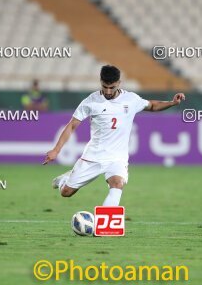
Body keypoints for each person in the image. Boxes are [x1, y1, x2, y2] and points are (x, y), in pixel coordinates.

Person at [42, 65, 185, 206]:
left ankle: (102, 227)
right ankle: (63, 180)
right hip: (94, 156)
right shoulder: (91, 102)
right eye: (105, 87)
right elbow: (72, 125)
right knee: (66, 192)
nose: (108, 91)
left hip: (117, 158)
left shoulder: (131, 99)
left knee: (117, 184)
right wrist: (56, 150)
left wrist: (172, 103)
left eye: (112, 87)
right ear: (100, 82)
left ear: (119, 84)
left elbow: (152, 106)